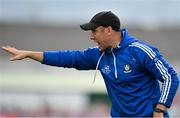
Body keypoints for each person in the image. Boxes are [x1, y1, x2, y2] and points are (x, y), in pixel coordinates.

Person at [1, 11, 179, 117]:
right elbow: (67, 58)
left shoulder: (139, 51)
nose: (91, 36)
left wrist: (159, 110)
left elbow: (170, 77)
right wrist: (29, 54)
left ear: (109, 30)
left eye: (95, 31)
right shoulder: (98, 55)